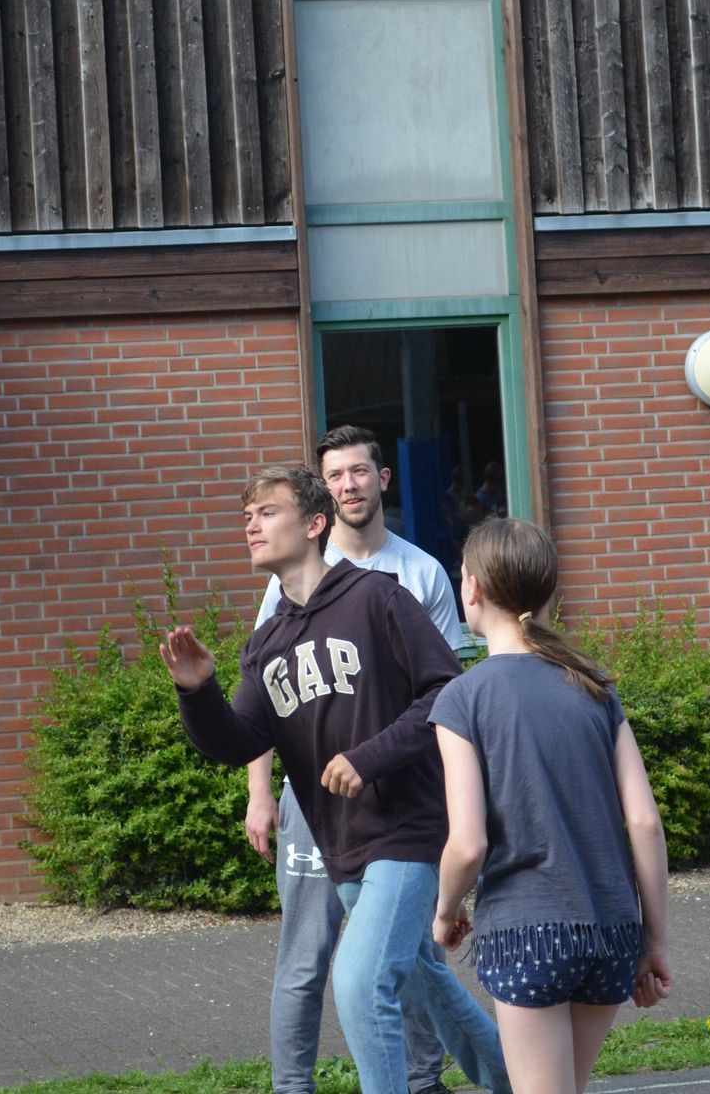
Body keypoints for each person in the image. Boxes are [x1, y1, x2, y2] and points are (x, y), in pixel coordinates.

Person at [160, 465, 509, 1094]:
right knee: (427, 983)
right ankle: (526, 1083)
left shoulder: (377, 598)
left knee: (358, 980)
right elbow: (238, 740)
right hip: (341, 844)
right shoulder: (265, 645)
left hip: (406, 831)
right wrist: (197, 691)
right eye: (248, 516)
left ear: (315, 524)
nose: (251, 524)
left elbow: (444, 693)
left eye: (267, 512)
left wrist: (368, 757)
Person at [243, 426, 464, 1094]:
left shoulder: (414, 576)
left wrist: (453, 814)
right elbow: (258, 706)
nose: (349, 484)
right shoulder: (284, 588)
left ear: (381, 479)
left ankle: (425, 1080)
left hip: (395, 804)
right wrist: (260, 793)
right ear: (324, 498)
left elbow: (442, 702)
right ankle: (292, 1087)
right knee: (308, 961)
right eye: (335, 474)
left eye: (359, 472)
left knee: (401, 964)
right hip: (314, 807)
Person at [430, 518, 673, 1094]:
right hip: (613, 930)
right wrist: (654, 941)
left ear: (473, 589)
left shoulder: (463, 698)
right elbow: (644, 822)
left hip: (527, 929)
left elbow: (467, 844)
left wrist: (444, 913)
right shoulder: (593, 686)